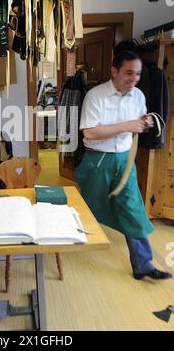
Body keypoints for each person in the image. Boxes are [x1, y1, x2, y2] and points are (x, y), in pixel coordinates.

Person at [75, 50, 172, 280]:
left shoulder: (138, 96)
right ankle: (68, 243)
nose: (134, 79)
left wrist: (146, 121)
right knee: (89, 208)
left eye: (137, 74)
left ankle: (143, 265)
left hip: (125, 161)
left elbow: (137, 122)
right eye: (129, 73)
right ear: (114, 71)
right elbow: (89, 132)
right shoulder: (96, 96)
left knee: (133, 208)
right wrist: (126, 125)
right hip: (97, 161)